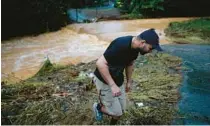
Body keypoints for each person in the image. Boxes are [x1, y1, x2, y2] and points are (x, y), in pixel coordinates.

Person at [92, 28, 162, 125]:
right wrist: (112, 86)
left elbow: (129, 64)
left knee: (122, 110)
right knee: (117, 113)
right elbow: (100, 63)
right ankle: (98, 107)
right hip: (104, 80)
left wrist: (129, 81)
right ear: (143, 42)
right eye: (151, 48)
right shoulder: (120, 45)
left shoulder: (135, 49)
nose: (150, 51)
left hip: (118, 79)